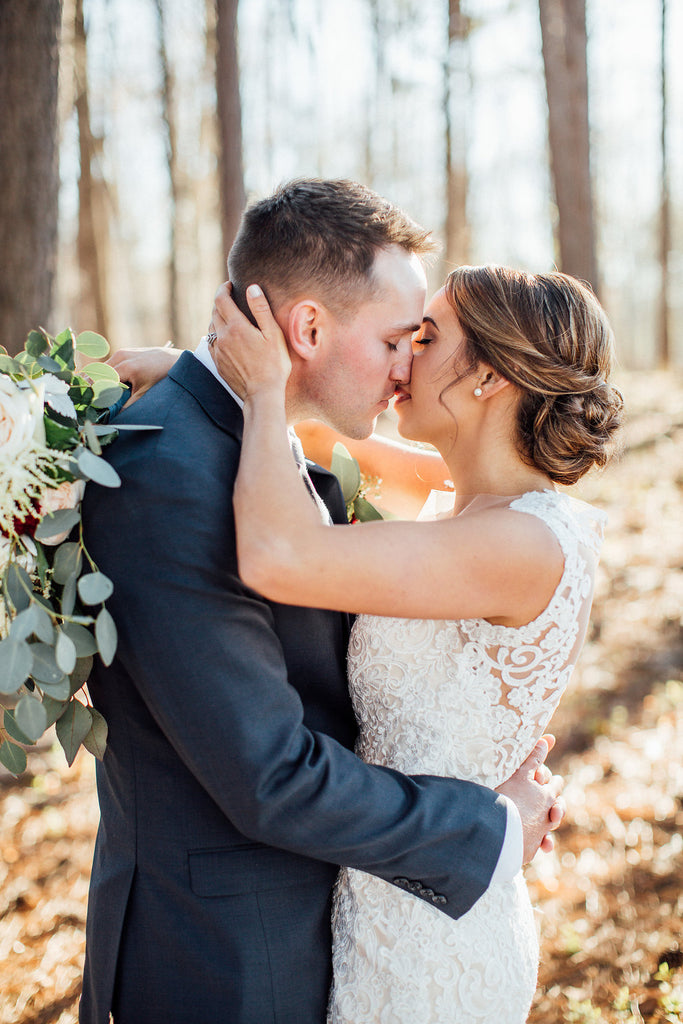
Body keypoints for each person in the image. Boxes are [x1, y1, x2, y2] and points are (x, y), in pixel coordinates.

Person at [79, 179, 563, 1024]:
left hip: (324, 933)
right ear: (306, 329)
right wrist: (484, 830)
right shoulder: (171, 476)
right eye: (392, 339)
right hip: (221, 959)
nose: (406, 366)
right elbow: (270, 776)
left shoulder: (257, 450)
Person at [191, 261, 623, 1023]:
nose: (401, 360)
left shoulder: (519, 544)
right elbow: (318, 438)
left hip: (435, 942)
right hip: (388, 892)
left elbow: (277, 556)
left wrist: (261, 390)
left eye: (424, 337)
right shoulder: (461, 495)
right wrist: (192, 375)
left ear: (487, 377)